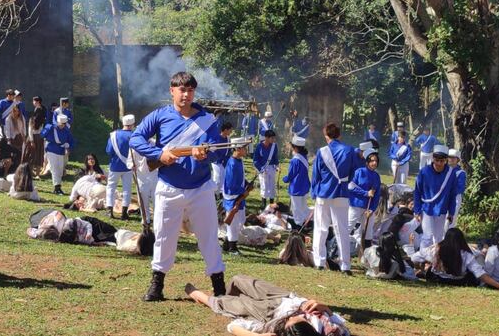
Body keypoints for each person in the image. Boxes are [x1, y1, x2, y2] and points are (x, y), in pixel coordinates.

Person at [130, 71, 226, 302]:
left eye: (190, 90)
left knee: (209, 237)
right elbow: (136, 138)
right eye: (181, 90)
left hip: (200, 187)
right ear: (172, 91)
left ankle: (219, 286)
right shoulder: (159, 116)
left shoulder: (208, 120)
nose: (186, 95)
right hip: (169, 186)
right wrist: (159, 154)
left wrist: (205, 155)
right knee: (164, 236)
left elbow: (218, 151)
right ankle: (157, 285)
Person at [184, 275, 351, 336]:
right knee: (237, 280)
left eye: (293, 321)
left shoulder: (273, 329)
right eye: (302, 320)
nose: (299, 317)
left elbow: (234, 327)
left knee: (225, 303)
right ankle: (229, 299)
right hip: (287, 298)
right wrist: (325, 307)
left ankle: (199, 295)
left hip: (267, 313)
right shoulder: (332, 331)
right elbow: (342, 323)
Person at [311, 122, 358, 274]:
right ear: (339, 135)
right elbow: (353, 172)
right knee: (342, 230)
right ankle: (345, 265)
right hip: (341, 192)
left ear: (326, 136)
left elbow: (316, 174)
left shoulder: (321, 151)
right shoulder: (349, 150)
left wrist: (314, 192)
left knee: (320, 228)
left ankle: (319, 261)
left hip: (323, 193)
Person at [411, 228, 499, 289]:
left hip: (436, 279)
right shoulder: (467, 254)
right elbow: (481, 275)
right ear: (462, 239)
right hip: (459, 282)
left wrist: (420, 267)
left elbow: (414, 258)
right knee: (473, 269)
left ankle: (422, 273)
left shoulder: (434, 249)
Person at [414, 144, 457, 249]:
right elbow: (417, 192)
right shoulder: (424, 172)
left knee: (439, 238)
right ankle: (423, 261)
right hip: (427, 208)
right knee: (427, 237)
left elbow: (453, 194)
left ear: (446, 160)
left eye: (442, 161)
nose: (439, 163)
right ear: (433, 158)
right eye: (436, 160)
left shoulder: (451, 174)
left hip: (441, 209)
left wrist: (451, 212)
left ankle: (437, 261)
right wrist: (417, 210)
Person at [347, 150, 381, 249]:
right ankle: (335, 247)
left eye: (376, 161)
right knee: (349, 226)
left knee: (368, 230)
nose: (374, 163)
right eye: (372, 161)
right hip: (356, 205)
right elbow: (351, 186)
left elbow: (377, 194)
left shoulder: (377, 176)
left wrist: (372, 209)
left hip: (368, 208)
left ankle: (365, 251)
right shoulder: (359, 172)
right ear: (367, 162)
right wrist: (366, 193)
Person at [223, 137, 250, 255]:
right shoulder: (232, 163)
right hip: (233, 196)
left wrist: (247, 184)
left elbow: (240, 178)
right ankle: (232, 247)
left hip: (239, 195)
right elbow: (230, 185)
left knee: (241, 220)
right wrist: (242, 190)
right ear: (238, 149)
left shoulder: (239, 161)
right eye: (244, 148)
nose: (246, 150)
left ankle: (227, 241)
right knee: (233, 223)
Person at [106, 114, 135, 219]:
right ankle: (124, 212)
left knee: (111, 188)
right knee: (127, 189)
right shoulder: (134, 135)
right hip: (128, 167)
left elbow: (109, 151)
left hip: (115, 165)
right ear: (132, 124)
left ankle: (109, 211)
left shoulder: (113, 135)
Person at [128, 137, 158, 225]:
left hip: (154, 174)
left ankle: (157, 219)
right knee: (143, 199)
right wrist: (131, 165)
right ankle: (146, 219)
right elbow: (129, 160)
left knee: (156, 199)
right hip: (141, 176)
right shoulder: (135, 145)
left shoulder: (154, 143)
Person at [41, 113, 74, 194]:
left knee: (60, 169)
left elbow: (71, 141)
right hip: (51, 150)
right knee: (54, 168)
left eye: (64, 124)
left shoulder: (66, 130)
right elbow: (42, 134)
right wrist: (48, 129)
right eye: (61, 123)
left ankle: (58, 186)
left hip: (61, 151)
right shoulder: (51, 127)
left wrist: (68, 146)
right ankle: (57, 187)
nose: (63, 125)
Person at [283, 136, 310, 228]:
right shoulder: (304, 157)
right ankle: (305, 223)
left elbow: (291, 175)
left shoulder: (295, 160)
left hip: (296, 187)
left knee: (296, 208)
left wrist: (285, 179)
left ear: (295, 147)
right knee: (303, 206)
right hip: (304, 186)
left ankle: (298, 226)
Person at [253, 130, 279, 208]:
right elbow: (255, 160)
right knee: (264, 185)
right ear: (266, 138)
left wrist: (277, 166)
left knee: (272, 186)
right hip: (262, 168)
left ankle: (271, 204)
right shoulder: (259, 146)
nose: (273, 140)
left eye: (274, 138)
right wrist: (261, 169)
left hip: (271, 168)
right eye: (272, 138)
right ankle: (263, 204)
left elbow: (275, 158)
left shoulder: (274, 146)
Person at [444, 148, 467, 230]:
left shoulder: (461, 173)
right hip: (443, 197)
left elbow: (460, 188)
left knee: (450, 219)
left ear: (458, 160)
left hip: (455, 198)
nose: (451, 159)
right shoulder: (443, 170)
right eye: (449, 157)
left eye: (454, 158)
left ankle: (449, 238)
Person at [212, 122, 234, 199]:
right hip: (216, 161)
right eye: (230, 130)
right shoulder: (216, 138)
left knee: (223, 178)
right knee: (217, 178)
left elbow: (229, 151)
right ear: (225, 130)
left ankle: (221, 193)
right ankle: (214, 194)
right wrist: (219, 159)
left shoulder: (228, 139)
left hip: (224, 161)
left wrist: (227, 160)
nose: (231, 132)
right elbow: (213, 151)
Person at [29, 96, 46, 172]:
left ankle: (34, 170)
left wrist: (31, 140)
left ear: (37, 102)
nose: (33, 103)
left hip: (36, 134)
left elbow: (33, 126)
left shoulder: (39, 111)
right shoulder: (41, 109)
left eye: (34, 101)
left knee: (34, 153)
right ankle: (37, 171)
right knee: (38, 153)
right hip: (40, 135)